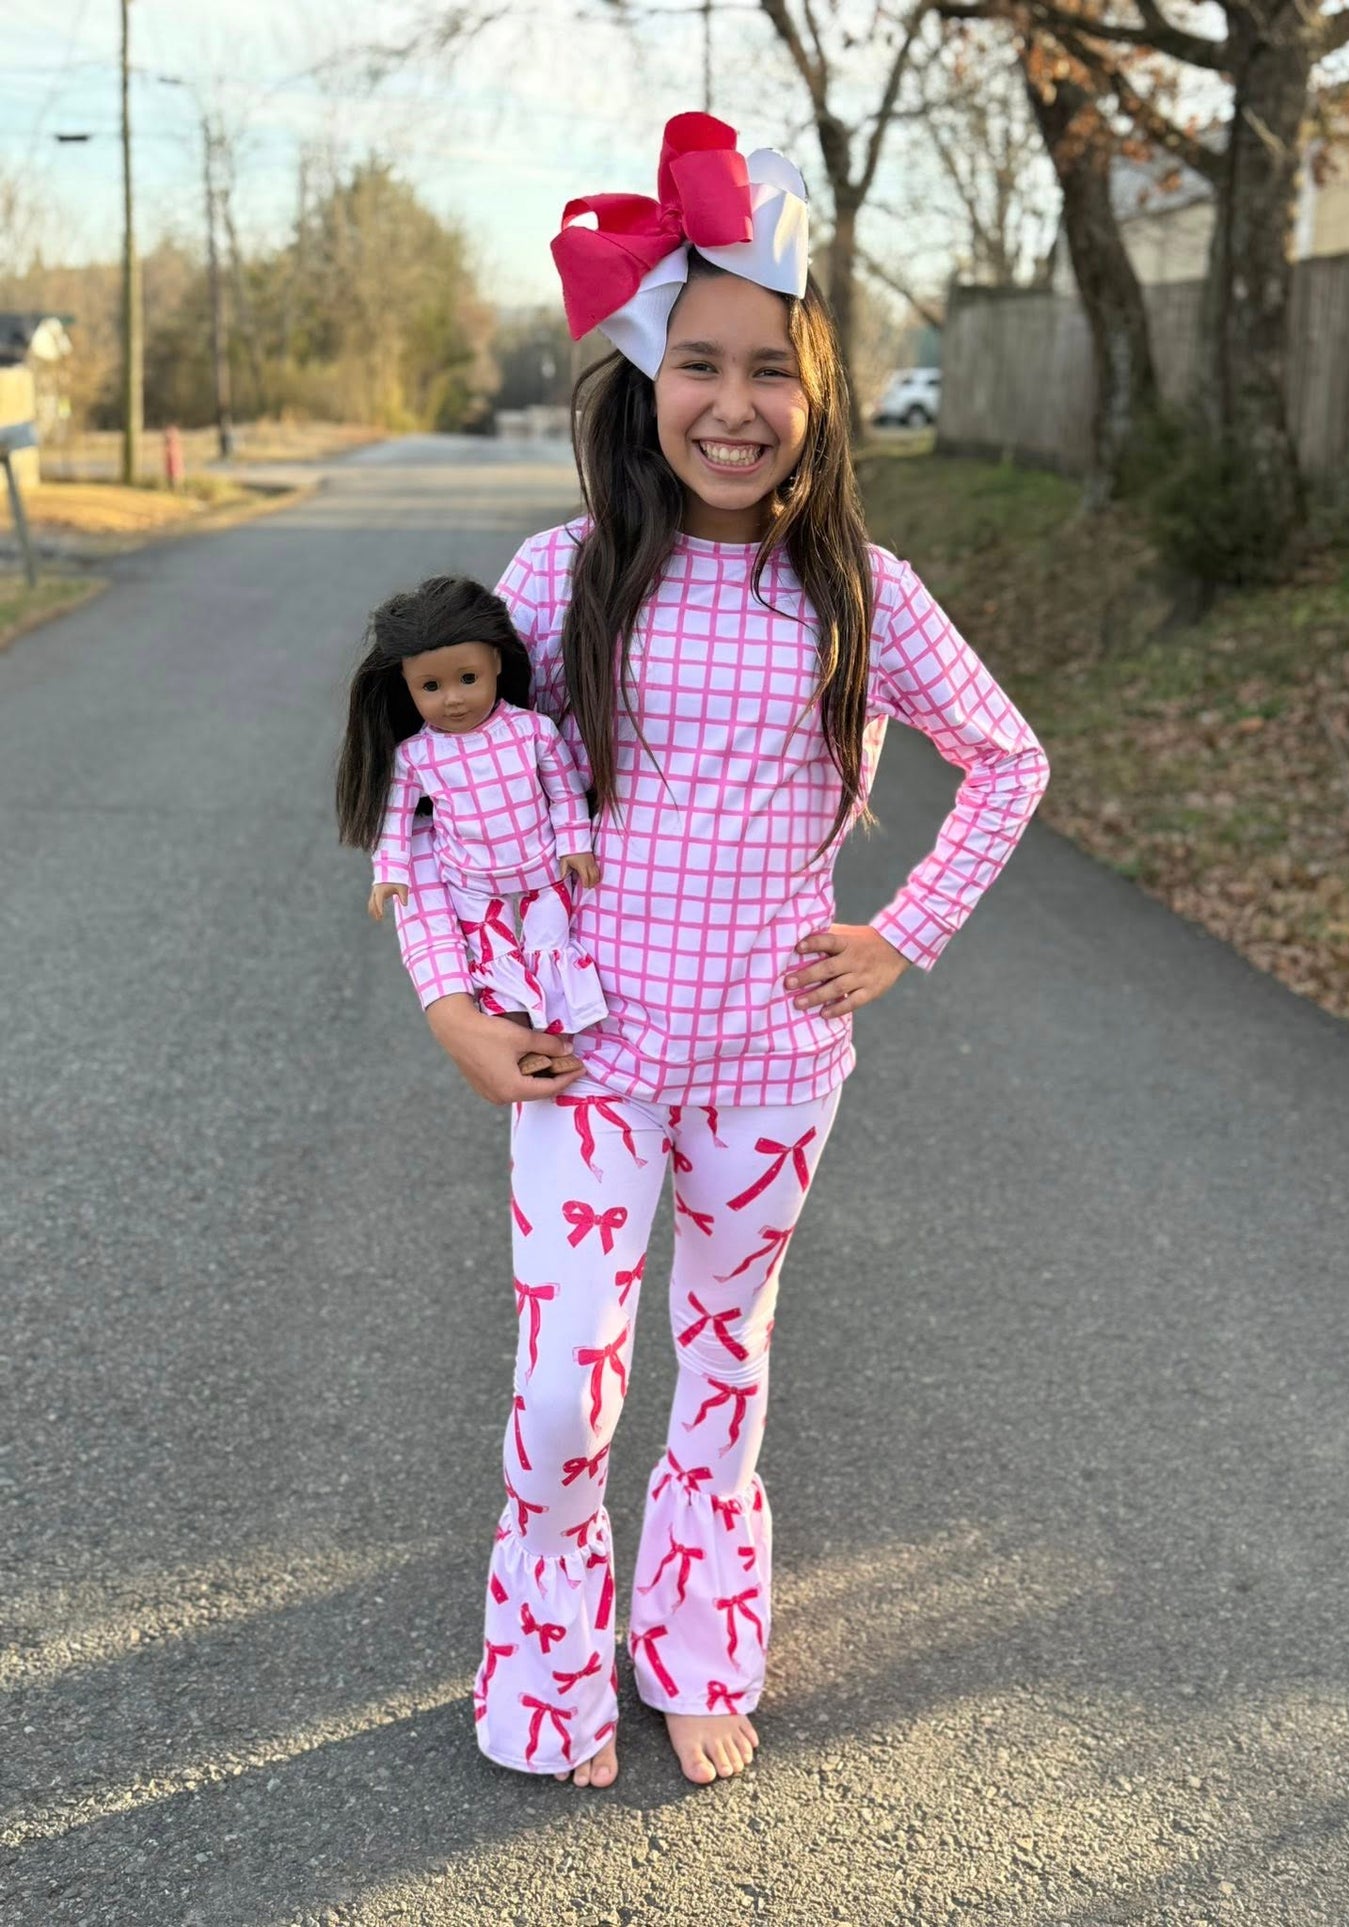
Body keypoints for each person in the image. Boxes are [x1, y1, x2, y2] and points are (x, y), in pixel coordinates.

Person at [389, 112, 1051, 1791]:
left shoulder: (864, 595)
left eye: (771, 368)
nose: (734, 402)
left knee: (721, 1357)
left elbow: (1009, 758)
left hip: (772, 1068)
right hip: (588, 1058)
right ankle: (548, 1657)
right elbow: (442, 797)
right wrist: (453, 1005)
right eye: (700, 363)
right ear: (644, 377)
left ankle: (695, 1637)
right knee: (566, 1389)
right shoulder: (560, 578)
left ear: (817, 395)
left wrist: (898, 935)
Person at [336, 575, 606, 1063]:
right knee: (494, 957)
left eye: (468, 678)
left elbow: (564, 792)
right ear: (407, 685)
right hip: (472, 880)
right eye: (430, 686)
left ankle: (564, 1037)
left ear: (496, 663)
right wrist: (390, 873)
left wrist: (575, 843)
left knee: (551, 944)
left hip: (545, 868)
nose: (453, 699)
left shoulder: (533, 731)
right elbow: (395, 820)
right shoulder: (416, 756)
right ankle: (523, 1045)